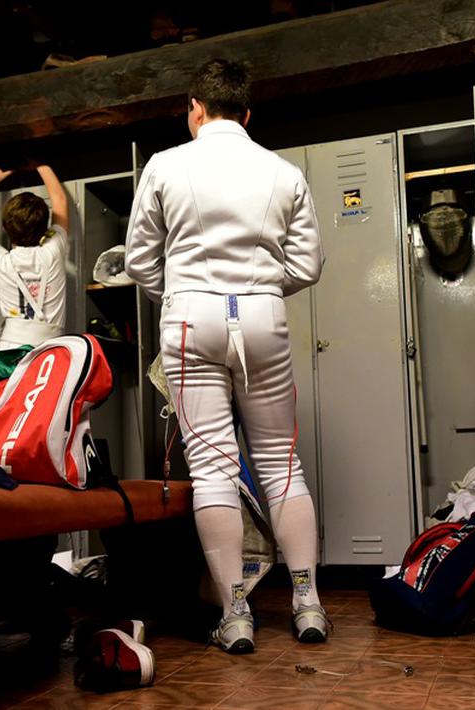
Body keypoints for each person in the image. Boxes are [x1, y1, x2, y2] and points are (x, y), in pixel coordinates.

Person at [123, 59, 326, 653]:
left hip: (188, 318)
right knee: (282, 465)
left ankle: (236, 614)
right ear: (247, 112)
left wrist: (187, 293)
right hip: (263, 315)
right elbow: (308, 265)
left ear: (195, 107)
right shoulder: (282, 170)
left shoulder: (165, 164)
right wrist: (259, 289)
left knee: (212, 468)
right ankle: (308, 603)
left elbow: (138, 261)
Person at [0, 164, 71, 353]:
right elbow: (60, 201)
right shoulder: (53, 253)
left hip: (10, 352)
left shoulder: (0, 261)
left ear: (4, 228)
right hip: (52, 351)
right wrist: (41, 166)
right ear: (46, 229)